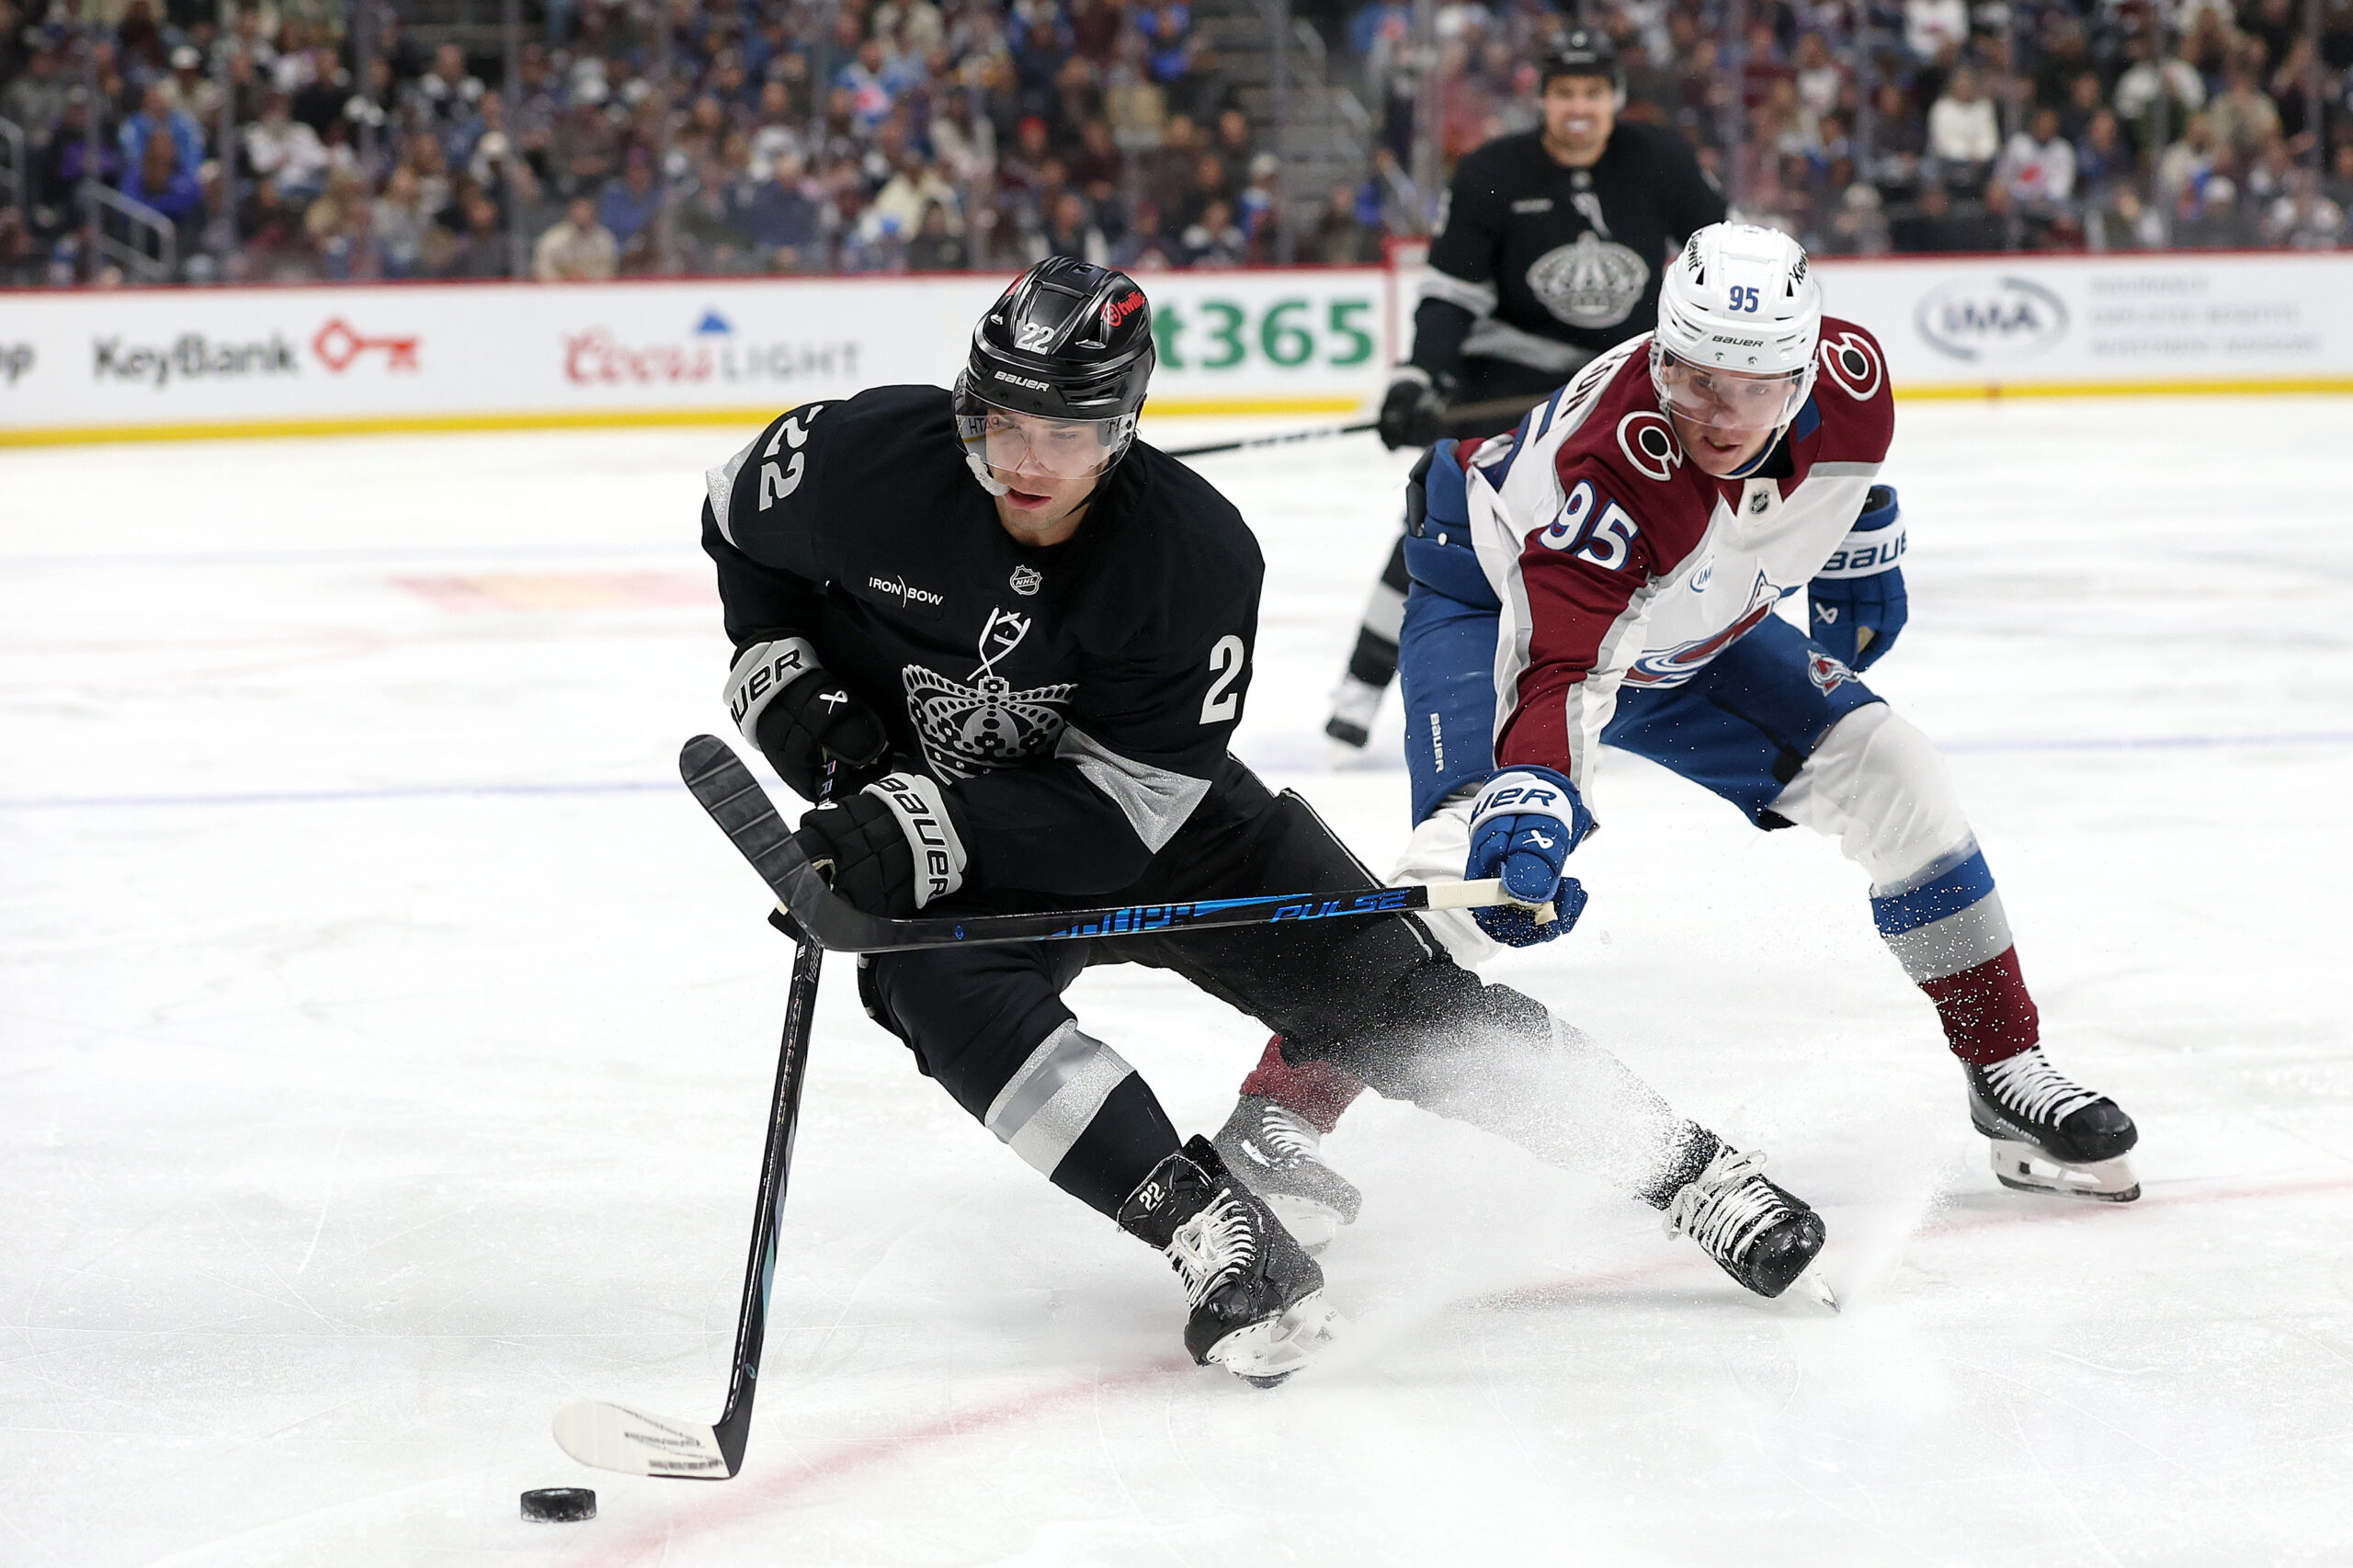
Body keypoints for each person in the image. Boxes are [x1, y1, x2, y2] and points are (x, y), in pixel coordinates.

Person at [698, 259, 1834, 1384]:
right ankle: (1210, 1226)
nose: (1025, 462)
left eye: (1066, 433)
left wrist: (911, 829)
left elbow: (1127, 812)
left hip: (1157, 815)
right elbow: (732, 512)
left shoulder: (1189, 554)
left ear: (1121, 426)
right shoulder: (863, 459)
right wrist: (775, 655)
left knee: (1393, 1000)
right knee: (928, 978)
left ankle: (1687, 1170)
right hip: (954, 817)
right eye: (1003, 424)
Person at [1213, 225, 2143, 1249]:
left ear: (1803, 374)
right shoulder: (1611, 472)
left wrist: (1860, 529)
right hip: (1503, 601)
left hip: (1688, 624)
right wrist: (1535, 793)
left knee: (1896, 773)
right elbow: (1563, 667)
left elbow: (1844, 465)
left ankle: (2003, 1063)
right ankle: (1274, 1117)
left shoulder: (1854, 375)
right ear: (1659, 355)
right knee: (1469, 865)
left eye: (1753, 389)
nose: (1720, 415)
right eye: (1695, 381)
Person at [1327, 29, 1724, 750]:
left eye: (1593, 93)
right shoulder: (1492, 170)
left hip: (1618, 379)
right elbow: (1451, 293)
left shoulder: (1661, 159)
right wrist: (1420, 377)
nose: (1579, 108)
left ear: (1615, 99)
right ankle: (1360, 685)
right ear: (1543, 99)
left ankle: (1663, 684)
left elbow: (1721, 258)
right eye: (1565, 93)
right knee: (1445, 519)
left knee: (1666, 524)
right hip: (1503, 377)